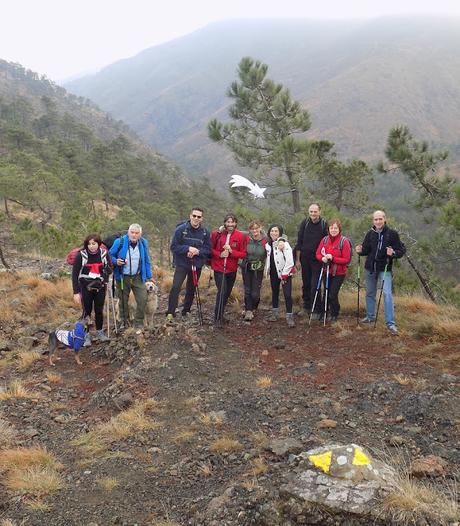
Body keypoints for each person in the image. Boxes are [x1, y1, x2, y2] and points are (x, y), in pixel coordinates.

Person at [355, 210, 406, 335]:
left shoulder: (392, 234)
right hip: (370, 268)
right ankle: (370, 316)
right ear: (373, 221)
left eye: (380, 219)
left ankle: (390, 323)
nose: (377, 221)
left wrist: (393, 253)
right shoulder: (370, 233)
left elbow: (401, 250)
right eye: (375, 219)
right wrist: (360, 250)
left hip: (385, 269)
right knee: (370, 293)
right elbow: (366, 250)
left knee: (387, 294)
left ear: (384, 219)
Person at [166, 208, 211, 321]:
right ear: (190, 215)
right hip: (182, 264)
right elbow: (174, 247)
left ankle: (186, 310)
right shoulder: (180, 230)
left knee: (191, 288)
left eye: (199, 217)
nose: (196, 218)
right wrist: (188, 249)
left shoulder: (205, 232)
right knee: (176, 287)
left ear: (202, 218)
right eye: (194, 216)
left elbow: (208, 250)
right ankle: (171, 312)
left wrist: (198, 251)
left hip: (197, 264)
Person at [109, 223, 153, 331]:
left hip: (138, 276)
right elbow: (109, 255)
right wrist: (116, 261)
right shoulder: (119, 242)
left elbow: (146, 260)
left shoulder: (143, 243)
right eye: (132, 233)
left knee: (142, 298)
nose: (134, 235)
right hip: (123, 276)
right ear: (128, 232)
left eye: (136, 233)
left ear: (140, 234)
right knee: (123, 300)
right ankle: (124, 321)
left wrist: (149, 275)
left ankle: (138, 322)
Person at [72, 234, 112, 345]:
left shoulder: (104, 254)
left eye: (94, 244)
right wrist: (76, 292)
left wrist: (107, 271)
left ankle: (99, 332)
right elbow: (75, 274)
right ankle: (86, 336)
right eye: (89, 244)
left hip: (100, 287)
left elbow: (110, 268)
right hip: (85, 288)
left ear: (98, 244)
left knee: (99, 310)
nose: (91, 246)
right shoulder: (81, 256)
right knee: (87, 312)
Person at [211, 214, 247, 324]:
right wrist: (220, 254)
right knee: (222, 291)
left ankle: (220, 315)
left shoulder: (240, 236)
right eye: (228, 222)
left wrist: (231, 251)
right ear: (224, 223)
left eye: (232, 222)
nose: (230, 224)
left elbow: (243, 254)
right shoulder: (216, 234)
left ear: (235, 223)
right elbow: (210, 249)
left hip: (231, 270)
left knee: (226, 293)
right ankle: (217, 319)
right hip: (219, 268)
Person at [295, 203, 328, 318]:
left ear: (319, 212)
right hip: (304, 259)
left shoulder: (324, 225)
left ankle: (316, 309)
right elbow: (299, 242)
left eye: (315, 211)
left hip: (318, 260)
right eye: (311, 212)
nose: (313, 214)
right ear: (309, 212)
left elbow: (327, 243)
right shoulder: (305, 223)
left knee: (316, 284)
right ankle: (306, 306)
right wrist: (297, 260)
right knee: (306, 284)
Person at [315, 219, 352, 323]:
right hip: (326, 270)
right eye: (331, 228)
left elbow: (346, 259)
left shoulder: (344, 242)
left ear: (339, 229)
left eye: (335, 228)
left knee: (332, 294)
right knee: (325, 292)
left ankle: (335, 313)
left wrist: (333, 258)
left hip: (339, 273)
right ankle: (324, 313)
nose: (333, 230)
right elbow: (318, 253)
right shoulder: (325, 240)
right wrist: (322, 258)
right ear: (328, 229)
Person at [265, 224, 296, 328]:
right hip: (273, 272)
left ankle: (289, 316)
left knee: (287, 295)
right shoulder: (268, 244)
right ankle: (274, 313)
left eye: (276, 231)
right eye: (272, 231)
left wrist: (284, 275)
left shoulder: (284, 244)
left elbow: (290, 261)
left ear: (280, 233)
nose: (274, 233)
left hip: (284, 273)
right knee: (275, 292)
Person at [241, 220, 267, 321]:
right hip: (246, 267)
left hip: (258, 268)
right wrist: (222, 229)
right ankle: (248, 310)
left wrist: (282, 240)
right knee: (247, 290)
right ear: (250, 230)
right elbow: (235, 231)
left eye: (257, 228)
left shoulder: (266, 239)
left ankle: (254, 307)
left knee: (255, 293)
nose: (255, 230)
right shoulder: (246, 237)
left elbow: (280, 237)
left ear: (260, 228)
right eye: (252, 228)